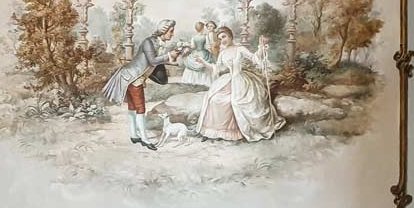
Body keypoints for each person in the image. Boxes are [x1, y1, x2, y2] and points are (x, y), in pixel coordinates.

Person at [194, 27, 285, 142]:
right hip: (229, 80)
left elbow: (254, 58)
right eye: (220, 38)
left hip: (241, 81)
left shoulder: (240, 49)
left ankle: (236, 132)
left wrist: (261, 48)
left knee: (235, 102)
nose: (222, 40)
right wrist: (202, 62)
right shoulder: (223, 53)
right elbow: (217, 68)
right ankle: (216, 131)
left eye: (224, 36)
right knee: (213, 98)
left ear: (230, 36)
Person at [102, 19, 180, 150]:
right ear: (163, 31)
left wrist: (171, 60)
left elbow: (153, 62)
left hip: (133, 76)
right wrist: (169, 55)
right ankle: (144, 139)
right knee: (140, 109)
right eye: (171, 31)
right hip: (133, 77)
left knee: (133, 107)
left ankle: (134, 135)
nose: (172, 34)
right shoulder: (149, 42)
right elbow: (153, 61)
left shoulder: (156, 42)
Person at [180, 21, 214, 86]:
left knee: (194, 64)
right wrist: (211, 52)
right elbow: (207, 46)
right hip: (204, 53)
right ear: (202, 29)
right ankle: (203, 82)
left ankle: (194, 82)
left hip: (195, 53)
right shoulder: (205, 36)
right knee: (204, 64)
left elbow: (192, 46)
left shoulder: (194, 37)